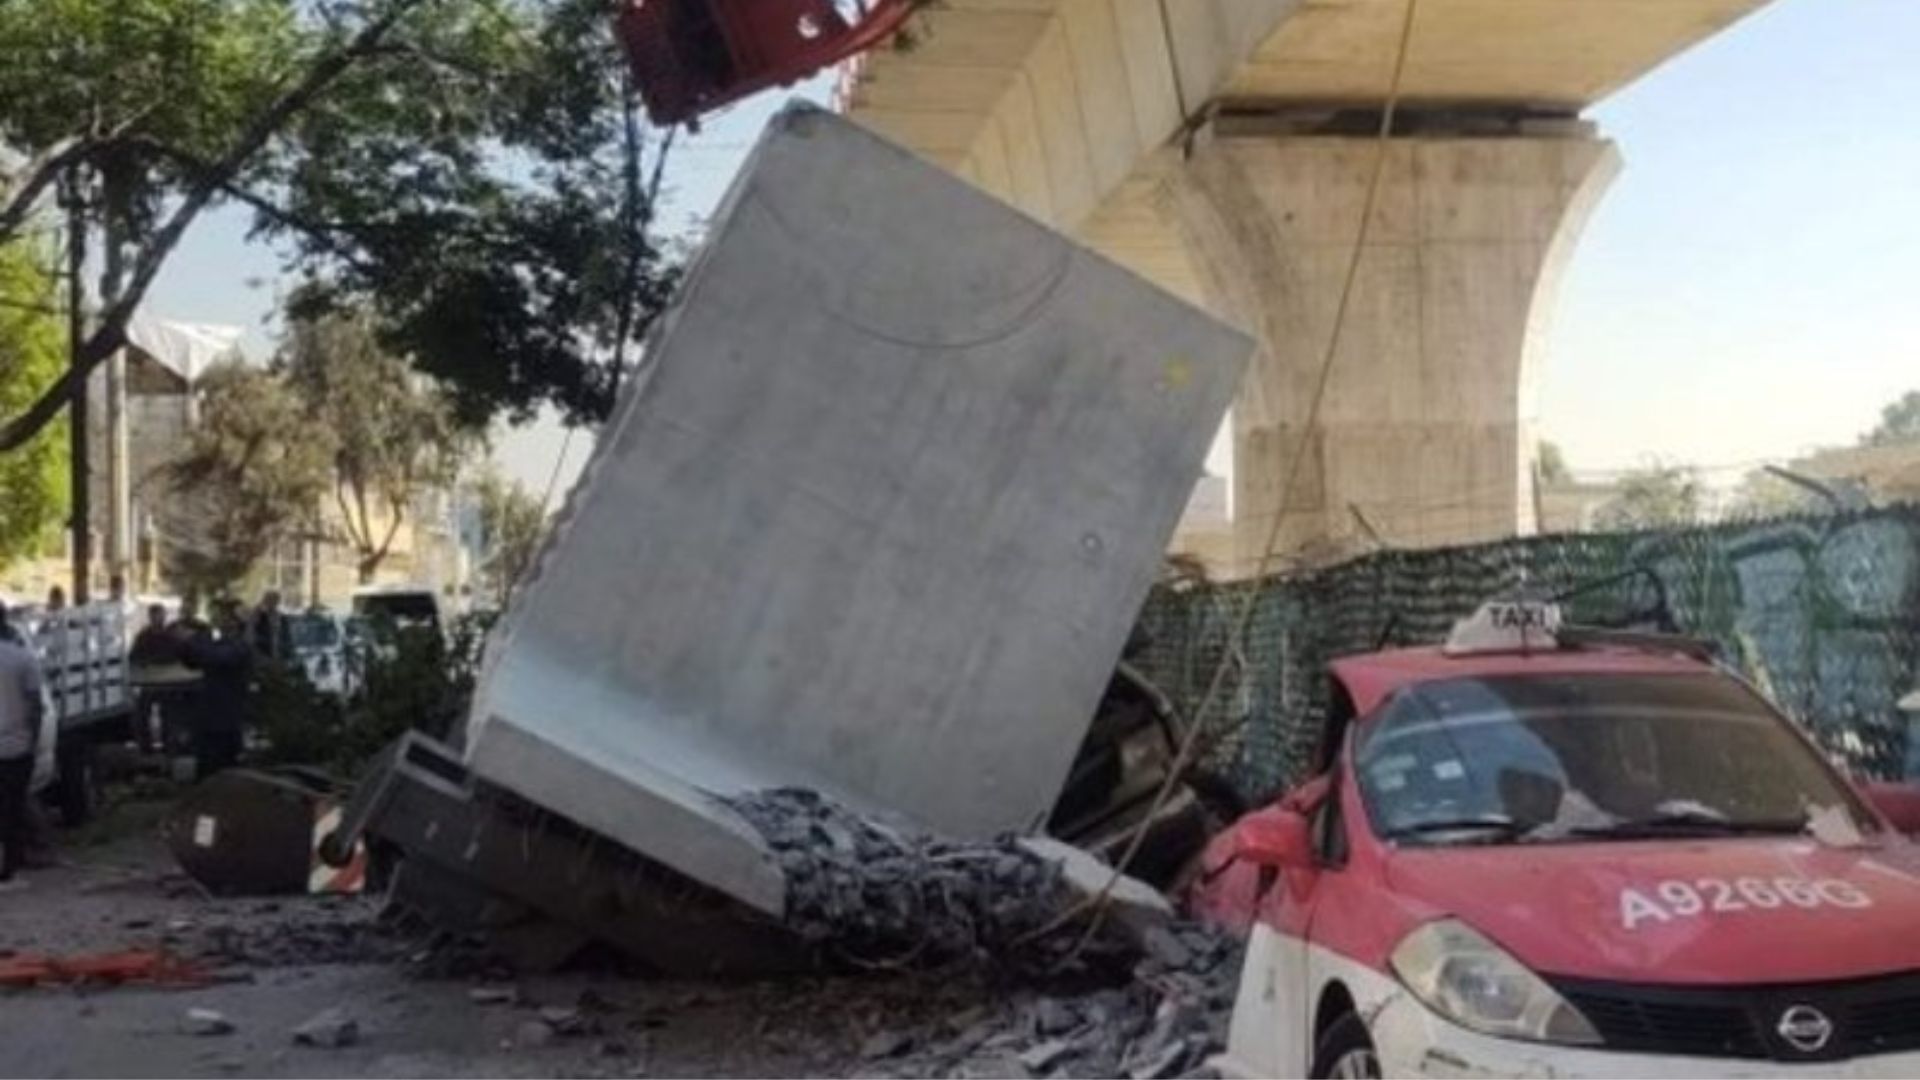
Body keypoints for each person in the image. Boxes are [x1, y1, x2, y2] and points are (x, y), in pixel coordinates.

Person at [0, 602, 46, 889]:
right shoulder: (22, 658)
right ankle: (10, 870)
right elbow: (36, 705)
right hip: (15, 747)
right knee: (13, 810)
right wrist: (33, 738)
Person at [182, 602, 250, 779]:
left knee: (223, 767)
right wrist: (189, 639)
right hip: (210, 716)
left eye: (225, 617)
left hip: (226, 717)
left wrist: (195, 640)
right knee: (206, 764)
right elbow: (191, 661)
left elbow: (216, 658)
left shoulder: (240, 646)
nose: (220, 621)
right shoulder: (218, 643)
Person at [250, 589, 289, 663]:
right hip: (263, 654)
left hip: (279, 654)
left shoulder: (282, 617)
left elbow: (286, 636)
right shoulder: (259, 616)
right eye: (269, 600)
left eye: (274, 600)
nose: (272, 602)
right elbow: (251, 634)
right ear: (265, 601)